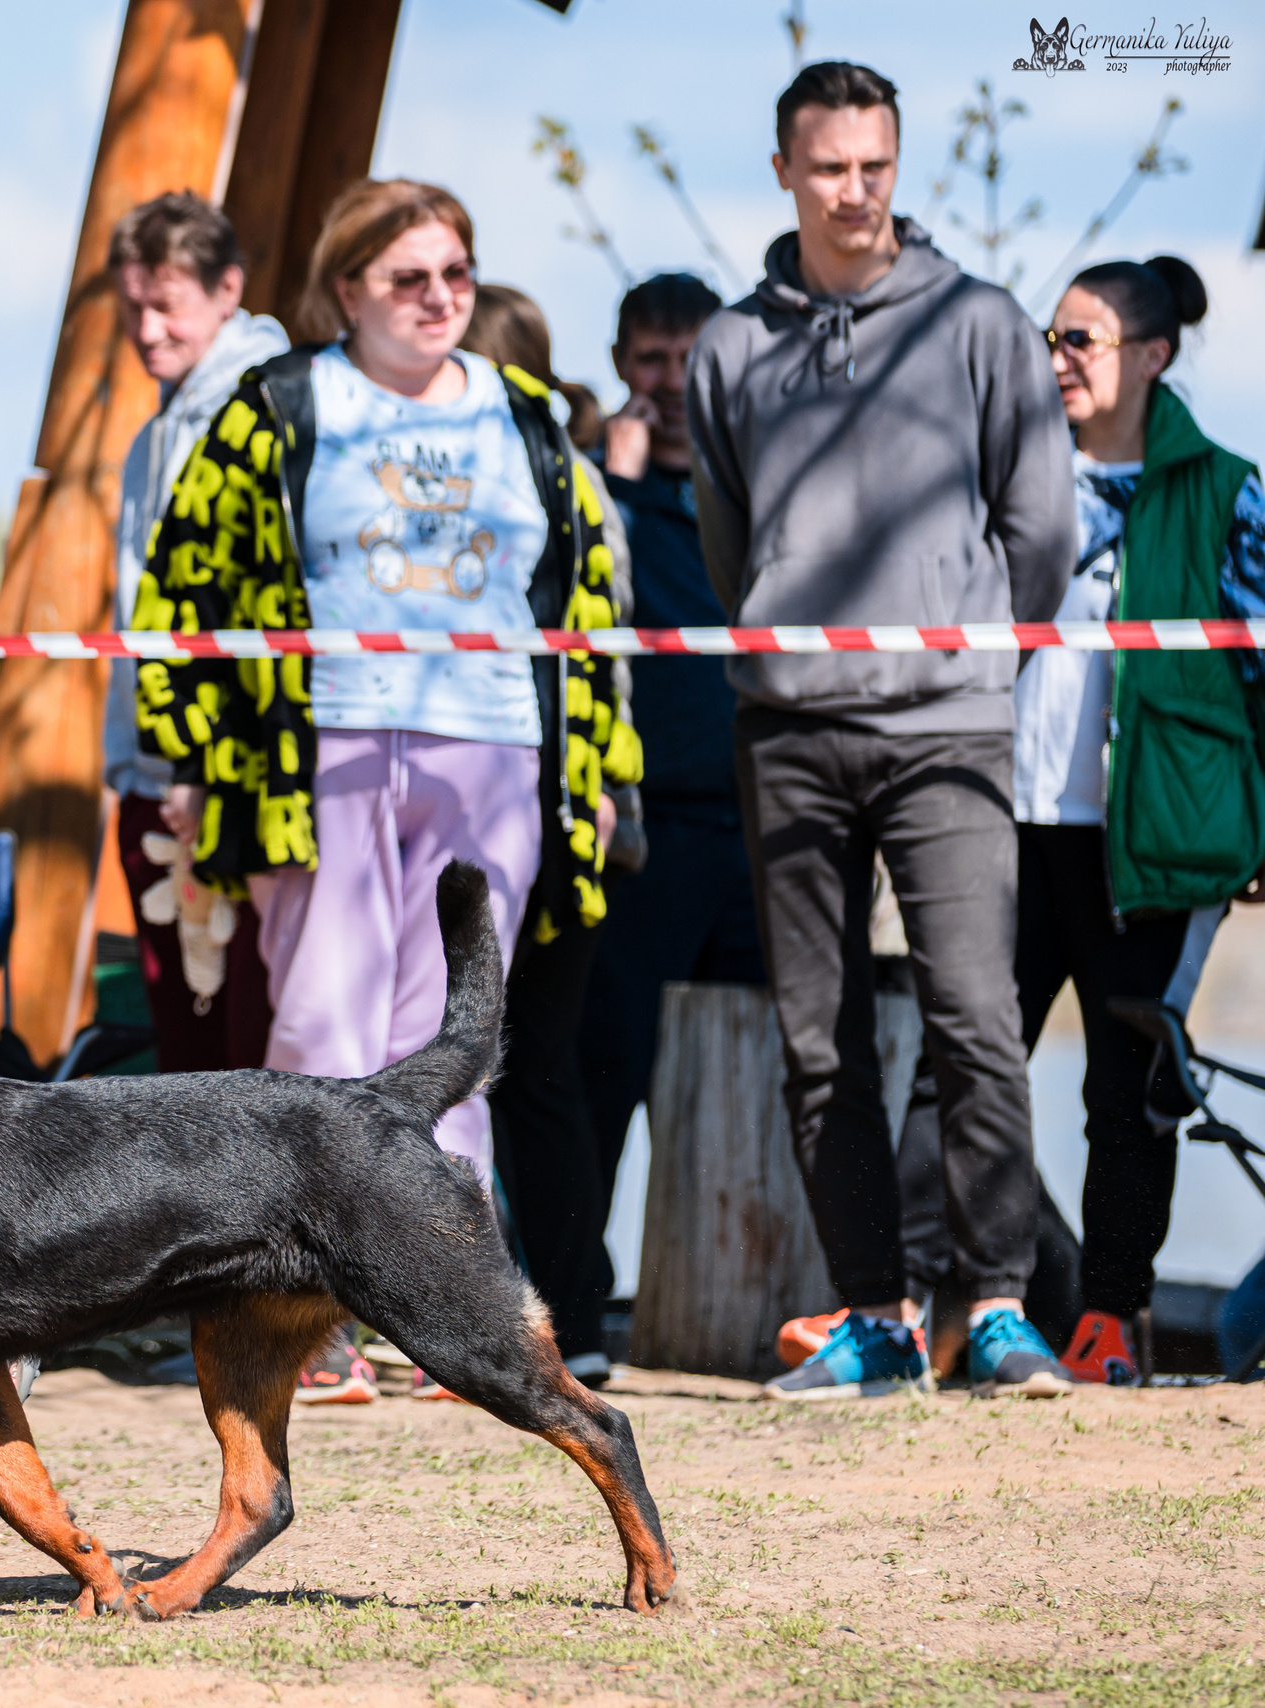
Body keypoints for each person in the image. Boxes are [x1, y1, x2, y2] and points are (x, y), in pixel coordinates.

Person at [131, 180, 629, 1402]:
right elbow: (185, 586)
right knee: (321, 1027)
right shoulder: (279, 404)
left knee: (456, 1039)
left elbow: (587, 600)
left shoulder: (523, 413)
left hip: (493, 746)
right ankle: (307, 1323)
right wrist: (191, 757)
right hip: (322, 753)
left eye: (457, 273)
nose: (440, 298)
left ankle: (447, 1317)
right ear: (347, 286)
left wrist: (597, 769)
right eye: (410, 277)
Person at [685, 62, 1077, 1402]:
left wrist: (974, 651)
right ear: (784, 172)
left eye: (875, 166)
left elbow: (1040, 527)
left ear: (896, 167)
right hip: (788, 731)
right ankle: (873, 1315)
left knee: (976, 1018)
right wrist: (783, 638)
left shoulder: (981, 322)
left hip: (947, 725)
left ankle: (1000, 1308)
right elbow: (727, 539)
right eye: (829, 167)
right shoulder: (728, 347)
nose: (855, 191)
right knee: (819, 1040)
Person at [1018, 256, 1261, 1384]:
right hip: (1006, 826)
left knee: (1127, 1091)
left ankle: (1110, 1319)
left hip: (1155, 842)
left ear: (1153, 355)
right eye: (1050, 337)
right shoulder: (1011, 474)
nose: (1057, 359)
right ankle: (993, 1307)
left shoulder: (1227, 491)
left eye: (1081, 339)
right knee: (960, 1081)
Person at [461, 283, 642, 1389]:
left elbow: (604, 645)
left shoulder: (555, 477)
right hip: (540, 797)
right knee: (529, 1076)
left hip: (548, 803)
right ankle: (550, 1313)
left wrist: (603, 781)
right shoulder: (576, 474)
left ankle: (559, 1315)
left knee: (519, 1069)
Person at [576, 273, 768, 1291]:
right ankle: (573, 1297)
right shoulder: (591, 488)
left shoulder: (760, 478)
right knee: (607, 1071)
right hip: (642, 833)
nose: (671, 382)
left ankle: (744, 1296)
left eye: (692, 360)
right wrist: (615, 483)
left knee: (752, 1077)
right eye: (652, 360)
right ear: (620, 365)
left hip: (757, 827)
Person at [103, 192, 287, 1082]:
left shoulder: (267, 412)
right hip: (155, 779)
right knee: (185, 1056)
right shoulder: (152, 435)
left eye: (168, 304)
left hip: (225, 783)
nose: (148, 330)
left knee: (250, 1055)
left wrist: (204, 761)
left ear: (228, 291)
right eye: (132, 305)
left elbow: (249, 606)